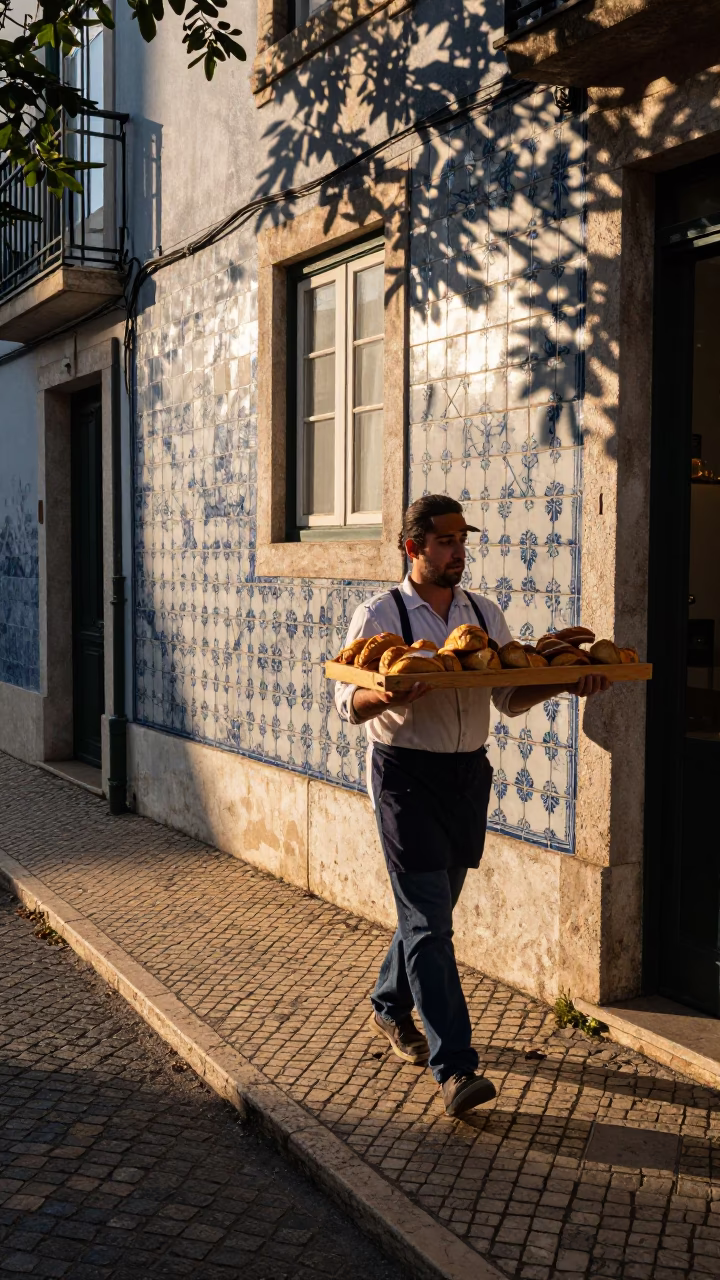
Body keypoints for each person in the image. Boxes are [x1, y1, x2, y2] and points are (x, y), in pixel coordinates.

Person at [334, 494, 610, 1118]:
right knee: (431, 924)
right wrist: (391, 693)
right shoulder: (379, 616)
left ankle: (386, 1003)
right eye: (447, 542)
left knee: (429, 913)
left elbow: (509, 697)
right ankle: (456, 1069)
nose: (460, 552)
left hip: (466, 776)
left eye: (463, 541)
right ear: (414, 548)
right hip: (405, 777)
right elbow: (345, 707)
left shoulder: (483, 614)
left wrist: (569, 682)